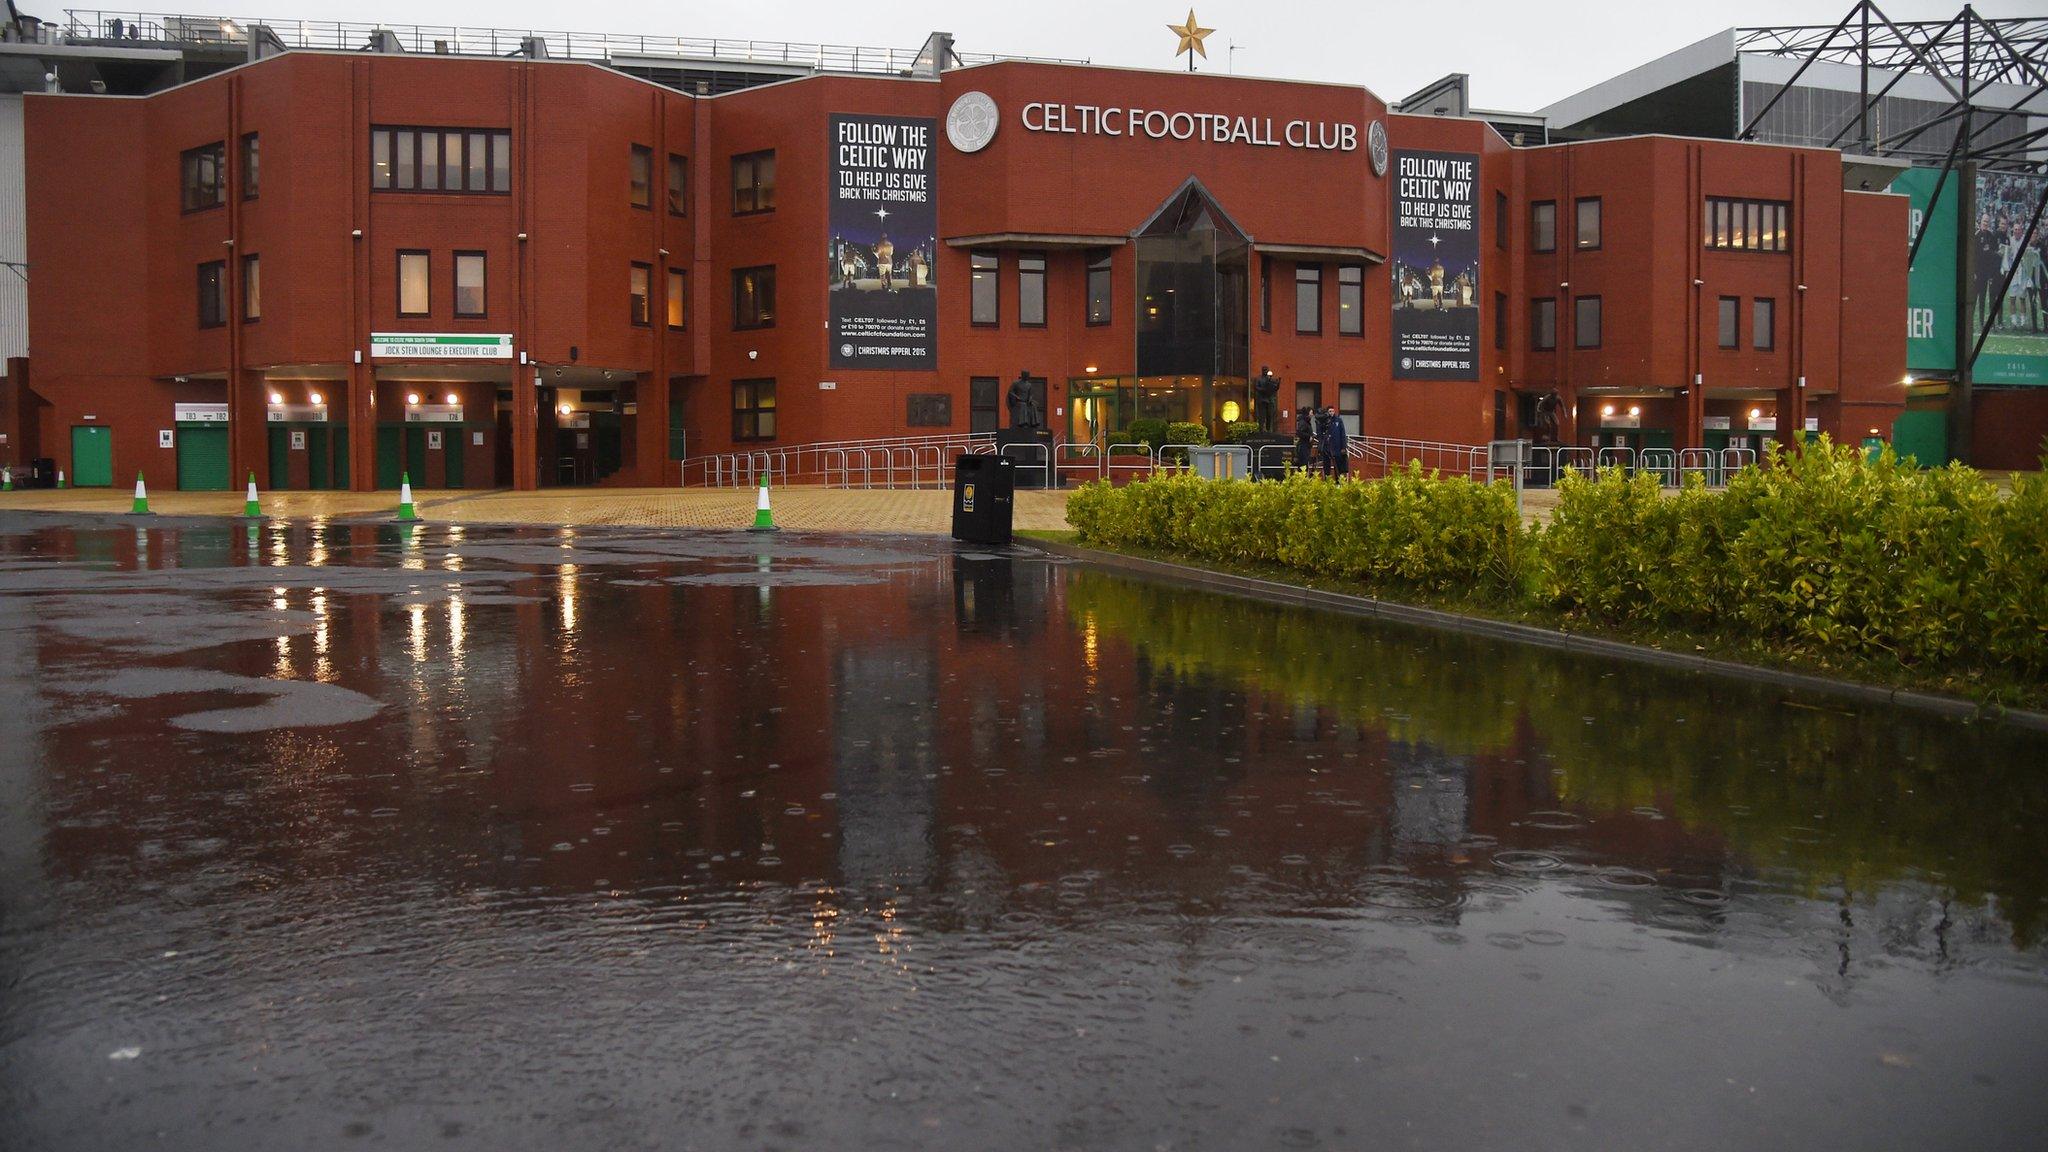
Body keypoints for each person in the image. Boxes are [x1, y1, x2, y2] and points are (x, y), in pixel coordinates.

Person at [1321, 407, 1349, 478]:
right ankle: (1327, 480)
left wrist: (1344, 447)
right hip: (1327, 447)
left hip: (1337, 447)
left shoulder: (1338, 420)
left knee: (1338, 466)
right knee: (1327, 465)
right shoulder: (1325, 421)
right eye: (1330, 411)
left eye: (1332, 411)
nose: (1331, 413)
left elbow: (1342, 434)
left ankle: (1338, 482)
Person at [1293, 407, 1314, 471]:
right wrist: (1309, 437)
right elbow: (1299, 432)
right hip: (1303, 446)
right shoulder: (1304, 422)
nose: (1312, 414)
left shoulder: (1306, 422)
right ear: (1308, 413)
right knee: (1303, 464)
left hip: (1306, 446)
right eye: (1311, 413)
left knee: (1304, 464)